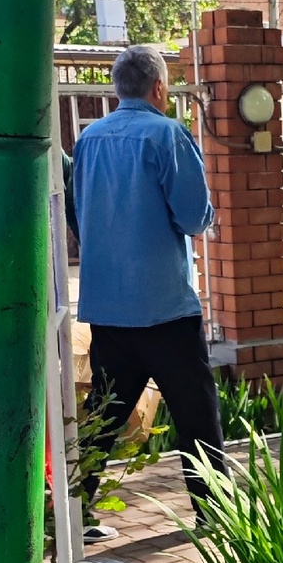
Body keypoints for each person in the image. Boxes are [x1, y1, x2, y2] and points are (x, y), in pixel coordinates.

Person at [73, 43, 226, 512]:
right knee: (196, 417)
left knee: (101, 418)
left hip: (107, 307)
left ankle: (73, 515)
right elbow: (194, 217)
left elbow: (79, 215)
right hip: (164, 308)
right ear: (160, 87)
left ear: (118, 88)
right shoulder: (168, 135)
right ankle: (215, 514)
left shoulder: (88, 139)